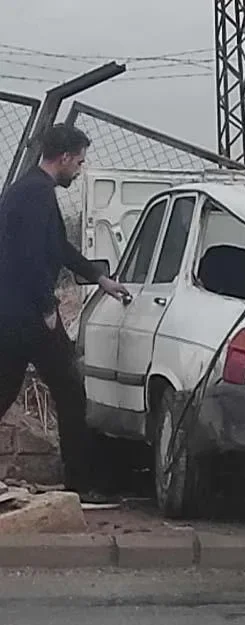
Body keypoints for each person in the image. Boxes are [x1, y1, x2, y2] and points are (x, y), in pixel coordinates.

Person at [0, 124, 129, 496]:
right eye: (80, 162)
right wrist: (46, 307)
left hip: (13, 314)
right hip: (29, 315)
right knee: (70, 391)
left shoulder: (29, 190)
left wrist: (99, 278)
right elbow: (30, 257)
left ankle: (81, 481)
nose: (80, 169)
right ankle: (81, 484)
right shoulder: (36, 195)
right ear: (66, 157)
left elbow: (56, 247)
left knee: (7, 388)